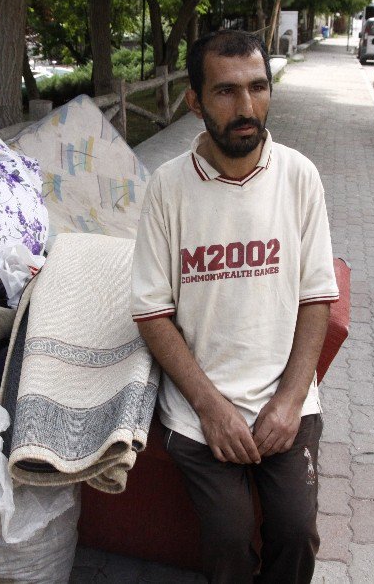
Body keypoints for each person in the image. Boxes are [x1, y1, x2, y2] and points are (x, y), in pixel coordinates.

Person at [130, 29, 339, 583]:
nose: (247, 108)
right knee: (227, 535)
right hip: (199, 411)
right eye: (225, 91)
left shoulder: (299, 177)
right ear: (194, 100)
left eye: (258, 87)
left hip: (284, 397)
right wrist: (211, 407)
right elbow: (151, 312)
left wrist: (291, 401)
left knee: (296, 532)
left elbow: (317, 298)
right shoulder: (167, 188)